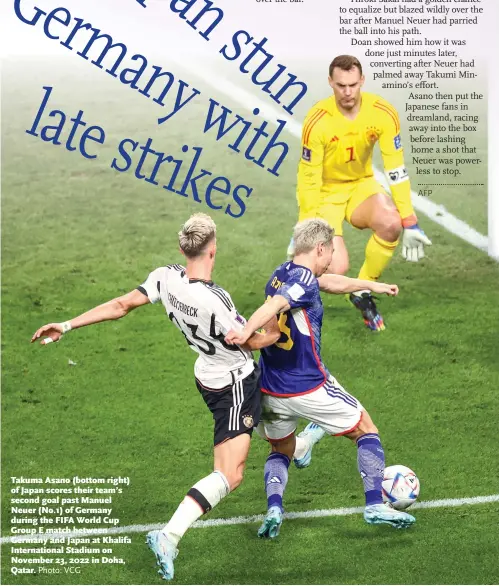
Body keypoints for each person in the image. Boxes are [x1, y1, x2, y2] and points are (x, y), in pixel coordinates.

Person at [31, 213, 323, 580]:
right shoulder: (216, 299)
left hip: (206, 375)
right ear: (213, 249)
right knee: (229, 474)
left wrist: (68, 324)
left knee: (266, 425)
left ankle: (300, 447)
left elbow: (120, 306)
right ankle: (168, 536)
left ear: (183, 248)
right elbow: (249, 340)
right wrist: (278, 331)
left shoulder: (164, 277)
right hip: (235, 384)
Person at [227, 218, 416, 538]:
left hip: (270, 388)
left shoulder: (281, 273)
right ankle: (374, 505)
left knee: (281, 450)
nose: (331, 258)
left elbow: (326, 283)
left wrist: (370, 285)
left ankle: (274, 507)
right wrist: (247, 330)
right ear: (319, 248)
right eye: (330, 252)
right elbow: (279, 303)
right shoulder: (300, 282)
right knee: (366, 429)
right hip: (309, 385)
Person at [292, 55, 431, 331]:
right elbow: (308, 178)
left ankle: (361, 291)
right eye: (341, 85)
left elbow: (396, 169)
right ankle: (295, 289)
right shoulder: (317, 120)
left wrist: (409, 219)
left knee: (391, 223)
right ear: (330, 83)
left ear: (362, 82)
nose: (347, 92)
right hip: (325, 193)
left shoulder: (382, 112)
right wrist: (305, 225)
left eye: (353, 85)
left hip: (360, 185)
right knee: (337, 267)